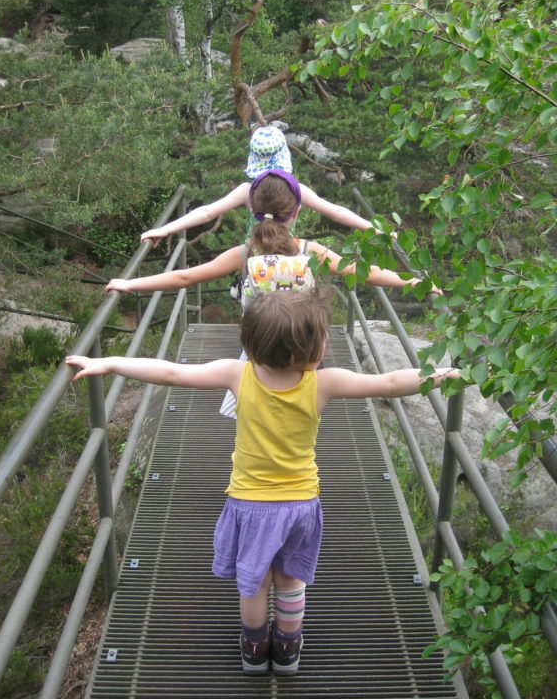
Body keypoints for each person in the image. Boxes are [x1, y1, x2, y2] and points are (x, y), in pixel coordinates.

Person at [66, 288, 461, 677]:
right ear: (303, 353)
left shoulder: (236, 374)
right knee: (290, 579)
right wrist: (454, 375)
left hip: (249, 505)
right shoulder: (323, 383)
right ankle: (287, 648)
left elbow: (171, 372)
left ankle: (254, 649)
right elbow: (392, 383)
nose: (325, 340)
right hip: (301, 505)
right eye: (321, 336)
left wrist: (113, 362)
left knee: (253, 584)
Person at [107, 169, 438, 300]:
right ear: (297, 212)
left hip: (259, 351)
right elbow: (368, 274)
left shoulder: (243, 255)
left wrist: (130, 283)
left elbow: (184, 278)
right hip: (302, 352)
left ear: (252, 209)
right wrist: (415, 282)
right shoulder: (312, 252)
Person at [140, 125, 390, 247]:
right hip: (287, 250)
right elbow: (336, 211)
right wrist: (375, 228)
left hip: (254, 250)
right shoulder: (296, 190)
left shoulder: (247, 191)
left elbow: (206, 212)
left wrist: (166, 228)